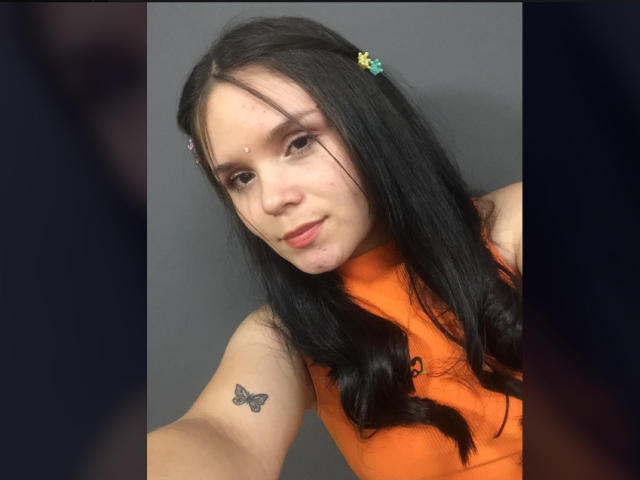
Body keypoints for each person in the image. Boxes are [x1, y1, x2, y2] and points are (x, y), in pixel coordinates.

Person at [147, 16, 522, 480]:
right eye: (241, 179)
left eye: (299, 142)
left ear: (369, 123)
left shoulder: (512, 229)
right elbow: (223, 433)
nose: (270, 200)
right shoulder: (283, 339)